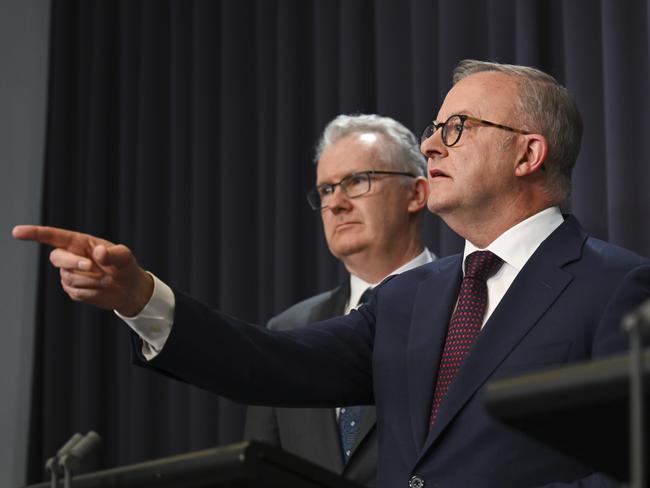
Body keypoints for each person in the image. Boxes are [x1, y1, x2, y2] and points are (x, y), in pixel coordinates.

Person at [14, 60, 650, 487]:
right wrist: (141, 296)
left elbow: (623, 469)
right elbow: (268, 362)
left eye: (457, 128)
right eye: (433, 130)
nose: (431, 146)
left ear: (529, 152)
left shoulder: (616, 287)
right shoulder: (407, 299)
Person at [244, 114, 434, 488]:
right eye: (327, 190)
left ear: (416, 193)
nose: (336, 203)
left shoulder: (470, 308)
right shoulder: (288, 331)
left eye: (357, 181)